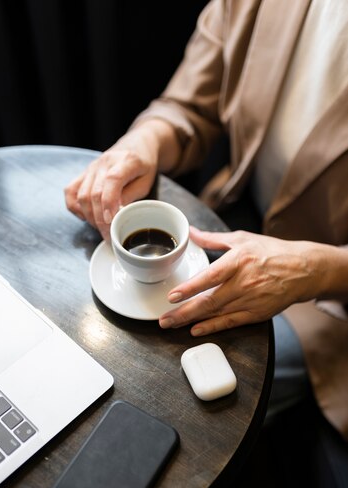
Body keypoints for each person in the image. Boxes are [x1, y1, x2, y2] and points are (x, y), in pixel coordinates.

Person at [64, 0, 348, 436]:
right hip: (235, 217)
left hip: (330, 301)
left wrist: (316, 269)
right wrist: (143, 144)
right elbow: (187, 108)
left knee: (180, 401)